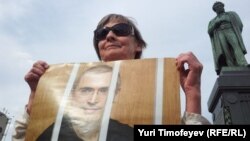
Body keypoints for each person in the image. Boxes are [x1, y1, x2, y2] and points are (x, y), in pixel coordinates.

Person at [12, 13, 210, 141]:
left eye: (121, 30)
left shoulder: (140, 123)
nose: (109, 36)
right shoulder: (53, 130)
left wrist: (193, 93)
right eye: (102, 33)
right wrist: (35, 97)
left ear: (138, 45)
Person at [37, 64, 133, 141]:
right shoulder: (50, 136)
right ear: (72, 95)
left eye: (104, 91)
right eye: (86, 90)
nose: (92, 100)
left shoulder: (129, 133)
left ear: (115, 95)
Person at [208, 1, 248, 75]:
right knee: (225, 50)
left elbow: (239, 24)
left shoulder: (231, 14)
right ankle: (230, 66)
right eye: (217, 7)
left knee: (236, 46)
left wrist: (236, 32)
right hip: (220, 33)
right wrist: (216, 24)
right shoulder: (213, 21)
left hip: (230, 30)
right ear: (215, 10)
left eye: (221, 6)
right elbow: (209, 30)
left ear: (223, 6)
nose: (220, 8)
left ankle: (243, 63)